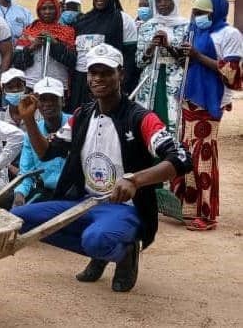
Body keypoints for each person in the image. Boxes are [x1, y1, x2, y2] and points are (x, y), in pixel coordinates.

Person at [12, 43, 192, 292]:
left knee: (96, 239)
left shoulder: (139, 118)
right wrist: (30, 119)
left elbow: (181, 158)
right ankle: (103, 248)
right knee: (18, 220)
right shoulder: (82, 115)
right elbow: (46, 153)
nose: (98, 78)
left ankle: (124, 251)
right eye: (93, 72)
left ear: (121, 74)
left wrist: (135, 180)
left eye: (106, 72)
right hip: (84, 201)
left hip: (123, 208)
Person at [174, 0, 243, 231]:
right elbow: (183, 62)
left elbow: (231, 72)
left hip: (210, 101)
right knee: (185, 153)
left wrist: (197, 55)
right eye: (196, 12)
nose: (199, 17)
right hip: (189, 98)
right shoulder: (193, 30)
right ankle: (186, 207)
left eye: (204, 13)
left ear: (216, 13)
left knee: (203, 156)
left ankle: (207, 213)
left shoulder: (229, 34)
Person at [67, 0, 138, 111]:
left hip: (106, 83)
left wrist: (124, 87)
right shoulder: (82, 20)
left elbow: (130, 57)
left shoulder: (124, 20)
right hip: (80, 83)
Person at [133, 0, 189, 134]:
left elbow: (186, 61)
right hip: (150, 79)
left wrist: (168, 46)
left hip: (175, 80)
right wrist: (151, 46)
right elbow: (139, 62)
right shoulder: (146, 26)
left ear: (174, 2)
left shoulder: (185, 27)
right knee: (149, 118)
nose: (162, 3)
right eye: (158, 0)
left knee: (173, 119)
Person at [12, 77, 71, 206]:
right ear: (36, 103)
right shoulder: (32, 132)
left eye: (53, 98)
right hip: (46, 192)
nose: (48, 103)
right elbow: (26, 174)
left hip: (73, 194)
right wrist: (19, 196)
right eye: (43, 99)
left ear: (63, 101)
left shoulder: (76, 124)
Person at [14, 0, 75, 89]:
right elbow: (17, 62)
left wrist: (54, 42)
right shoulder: (28, 31)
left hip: (57, 86)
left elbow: (72, 61)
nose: (47, 12)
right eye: (43, 8)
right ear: (38, 11)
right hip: (31, 86)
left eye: (51, 8)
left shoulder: (68, 32)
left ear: (57, 10)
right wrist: (32, 47)